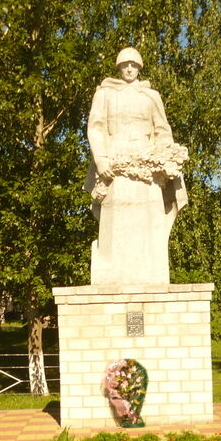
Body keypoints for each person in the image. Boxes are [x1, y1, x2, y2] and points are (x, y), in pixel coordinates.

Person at [85, 47, 188, 286]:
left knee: (149, 217)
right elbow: (96, 127)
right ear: (119, 67)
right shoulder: (105, 94)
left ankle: (151, 273)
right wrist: (101, 159)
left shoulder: (151, 96)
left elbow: (163, 130)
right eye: (125, 65)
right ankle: (113, 274)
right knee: (116, 218)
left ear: (139, 67)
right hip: (116, 162)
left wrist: (166, 159)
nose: (129, 69)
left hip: (147, 166)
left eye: (134, 65)